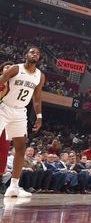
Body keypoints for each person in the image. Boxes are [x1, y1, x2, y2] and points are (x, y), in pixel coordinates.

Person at [0, 46, 45, 198]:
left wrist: (39, 116)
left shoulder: (40, 75)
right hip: (3, 108)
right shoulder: (15, 68)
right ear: (26, 54)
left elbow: (37, 98)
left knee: (21, 148)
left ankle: (13, 186)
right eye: (32, 52)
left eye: (38, 53)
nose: (35, 54)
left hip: (20, 111)